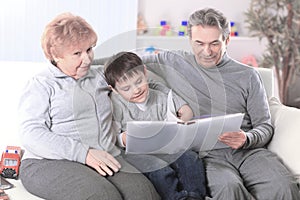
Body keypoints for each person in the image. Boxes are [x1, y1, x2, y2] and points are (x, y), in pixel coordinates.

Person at [137, 8, 300, 200]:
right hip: (207, 156)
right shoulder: (174, 61)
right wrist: (96, 71)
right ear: (190, 40)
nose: (207, 51)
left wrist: (247, 138)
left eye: (215, 43)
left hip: (249, 152)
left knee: (283, 186)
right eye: (199, 43)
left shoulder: (248, 76)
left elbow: (264, 126)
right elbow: (123, 63)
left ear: (227, 40)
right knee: (228, 188)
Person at [17, 12, 160, 200]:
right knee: (103, 195)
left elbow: (127, 64)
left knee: (144, 194)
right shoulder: (42, 84)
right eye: (77, 53)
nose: (87, 59)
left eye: (89, 50)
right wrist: (83, 153)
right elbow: (31, 133)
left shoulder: (99, 75)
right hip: (47, 162)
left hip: (104, 155)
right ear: (55, 55)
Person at [104, 51, 207, 200]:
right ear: (114, 89)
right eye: (126, 89)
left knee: (191, 159)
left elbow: (186, 111)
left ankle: (194, 196)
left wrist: (183, 117)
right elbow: (112, 135)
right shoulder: (115, 104)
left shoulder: (159, 92)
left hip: (165, 146)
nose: (136, 90)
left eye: (139, 81)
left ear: (145, 73)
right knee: (160, 169)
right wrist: (123, 138)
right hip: (137, 153)